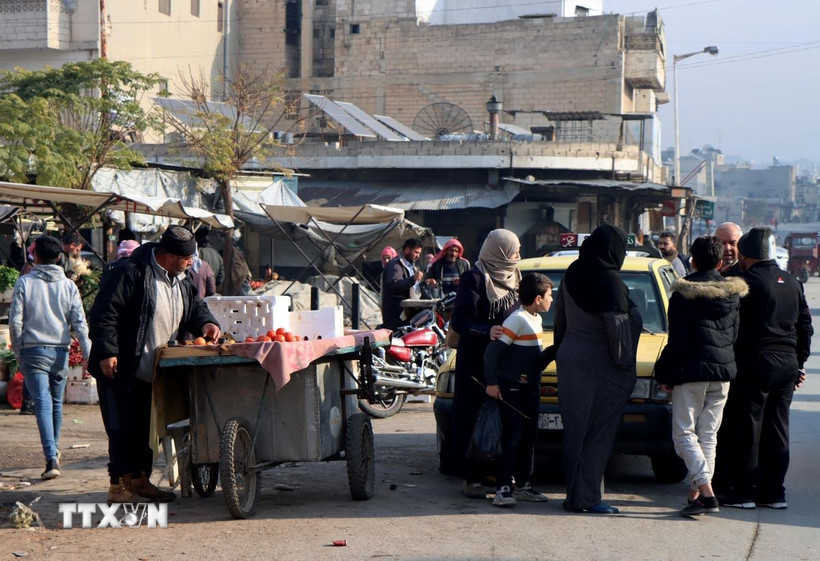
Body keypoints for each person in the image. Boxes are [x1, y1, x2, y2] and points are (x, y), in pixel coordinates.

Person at [89, 225, 220, 503]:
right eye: (187, 258)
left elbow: (195, 307)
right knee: (120, 426)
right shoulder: (131, 271)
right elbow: (104, 312)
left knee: (146, 428)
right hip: (122, 365)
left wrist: (207, 323)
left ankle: (139, 480)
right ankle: (117, 486)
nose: (191, 263)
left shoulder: (182, 279)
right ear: (171, 255)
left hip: (156, 370)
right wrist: (106, 351)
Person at [715, 227, 812, 510]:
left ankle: (744, 492)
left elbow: (730, 325)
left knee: (748, 427)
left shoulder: (743, 281)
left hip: (754, 361)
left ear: (745, 253)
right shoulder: (793, 282)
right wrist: (799, 364)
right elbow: (805, 327)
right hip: (786, 364)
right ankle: (774, 493)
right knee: (778, 428)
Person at [654, 236, 748, 517]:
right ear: (720, 263)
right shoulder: (733, 294)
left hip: (691, 372)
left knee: (683, 434)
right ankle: (697, 496)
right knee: (708, 435)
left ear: (692, 261)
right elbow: (733, 336)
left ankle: (706, 493)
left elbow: (677, 340)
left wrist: (665, 373)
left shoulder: (683, 295)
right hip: (723, 372)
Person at [553, 224, 642, 514]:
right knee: (599, 432)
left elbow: (560, 320)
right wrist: (625, 368)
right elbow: (617, 335)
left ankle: (573, 495)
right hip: (599, 365)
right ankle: (588, 498)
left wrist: (560, 353)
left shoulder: (572, 273)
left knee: (575, 432)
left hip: (570, 360)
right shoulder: (611, 282)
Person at [9, 235, 91, 480]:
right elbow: (80, 323)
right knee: (55, 404)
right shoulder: (69, 286)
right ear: (59, 257)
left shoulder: (24, 283)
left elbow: (15, 322)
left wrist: (18, 350)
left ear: (35, 256)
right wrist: (87, 354)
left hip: (33, 350)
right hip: (61, 352)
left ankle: (51, 457)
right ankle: (53, 452)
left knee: (43, 404)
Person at [449, 228, 521, 498]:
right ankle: (472, 477)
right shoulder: (475, 277)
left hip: (504, 361)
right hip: (475, 363)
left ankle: (496, 472)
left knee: (501, 418)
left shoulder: (515, 275)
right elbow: (459, 321)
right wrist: (485, 330)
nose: (518, 256)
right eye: (515, 251)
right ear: (499, 251)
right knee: (472, 417)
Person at [484, 272, 555, 507]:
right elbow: (492, 352)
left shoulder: (535, 319)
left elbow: (533, 360)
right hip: (512, 389)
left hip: (531, 388)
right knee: (512, 438)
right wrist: (493, 384)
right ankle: (503, 489)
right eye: (549, 295)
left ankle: (524, 486)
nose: (551, 300)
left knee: (529, 438)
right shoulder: (518, 319)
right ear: (537, 298)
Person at [380, 238, 425, 330]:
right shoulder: (395, 265)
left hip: (408, 314)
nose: (418, 256)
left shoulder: (412, 267)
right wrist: (413, 279)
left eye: (419, 253)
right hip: (396, 315)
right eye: (416, 252)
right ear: (407, 250)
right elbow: (394, 285)